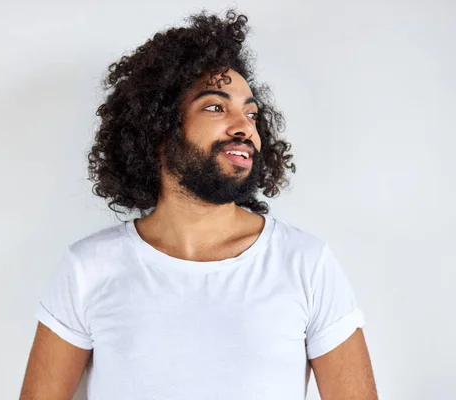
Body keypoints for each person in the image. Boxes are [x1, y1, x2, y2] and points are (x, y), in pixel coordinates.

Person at [19, 9, 377, 400]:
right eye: (215, 106)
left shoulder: (306, 262)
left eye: (251, 113)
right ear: (159, 128)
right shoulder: (88, 268)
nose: (244, 126)